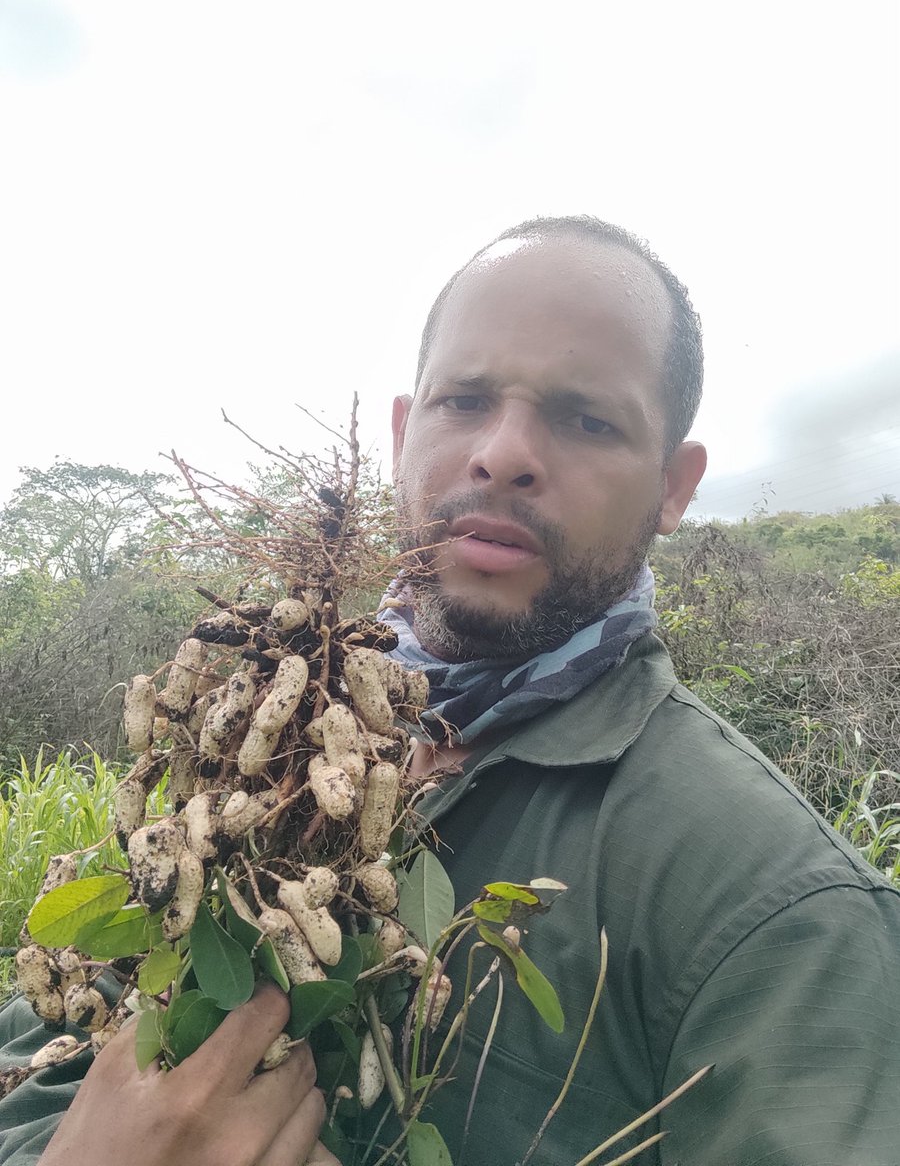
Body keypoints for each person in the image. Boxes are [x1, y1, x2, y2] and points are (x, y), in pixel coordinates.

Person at [1, 215, 898, 1166]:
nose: (504, 452)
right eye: (464, 401)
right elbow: (41, 1047)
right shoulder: (253, 733)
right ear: (401, 434)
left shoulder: (783, 914)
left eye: (588, 418)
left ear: (673, 488)